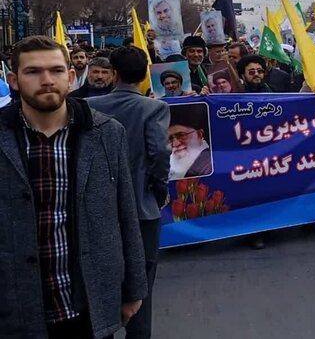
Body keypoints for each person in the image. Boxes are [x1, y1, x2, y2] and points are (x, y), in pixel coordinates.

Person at [1, 36, 147, 337]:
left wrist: (134, 287)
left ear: (70, 77)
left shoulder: (106, 133)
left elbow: (125, 214)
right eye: (33, 72)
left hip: (86, 304)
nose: (46, 80)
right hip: (16, 307)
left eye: (55, 71)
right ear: (14, 80)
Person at [87, 46, 170, 339]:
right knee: (142, 281)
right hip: (141, 207)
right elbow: (159, 153)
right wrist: (159, 192)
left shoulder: (88, 107)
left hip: (96, 210)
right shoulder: (153, 108)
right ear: (145, 73)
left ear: (114, 74)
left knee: (99, 281)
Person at [168, 103, 212, 180]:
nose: (175, 144)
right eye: (170, 138)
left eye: (181, 135)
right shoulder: (168, 165)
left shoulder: (209, 165)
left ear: (199, 134)